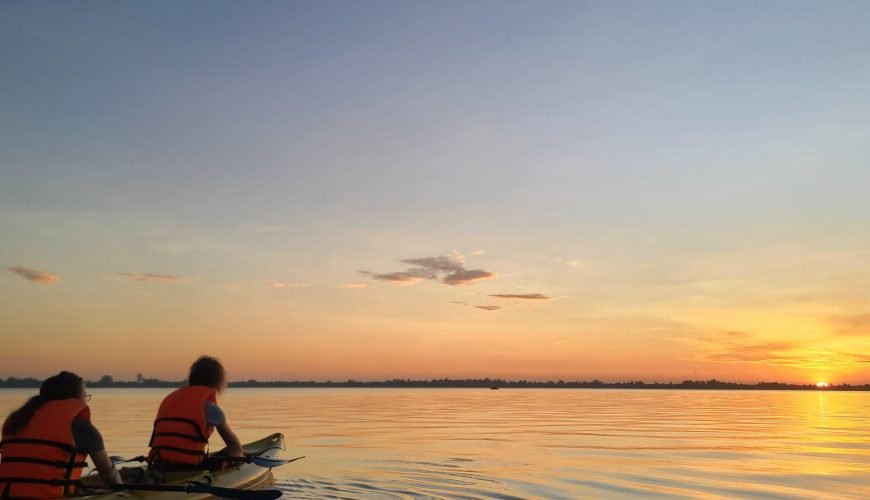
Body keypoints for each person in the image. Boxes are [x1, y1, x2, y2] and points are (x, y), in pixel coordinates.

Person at [0, 371, 122, 498]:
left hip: (7, 494)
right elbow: (109, 475)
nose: (85, 401)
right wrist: (124, 493)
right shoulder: (80, 426)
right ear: (75, 398)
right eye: (85, 396)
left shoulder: (17, 420)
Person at [147, 356, 244, 470]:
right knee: (236, 449)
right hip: (188, 468)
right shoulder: (211, 409)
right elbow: (233, 444)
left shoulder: (168, 400)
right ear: (217, 380)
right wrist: (240, 453)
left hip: (158, 463)